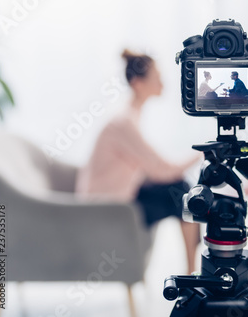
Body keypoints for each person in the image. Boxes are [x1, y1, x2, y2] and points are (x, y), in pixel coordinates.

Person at [75, 49, 200, 275]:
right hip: (106, 206)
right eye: (157, 78)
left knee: (182, 191)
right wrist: (204, 152)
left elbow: (150, 170)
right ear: (138, 83)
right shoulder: (124, 123)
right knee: (182, 191)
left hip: (120, 195)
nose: (163, 83)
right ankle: (192, 272)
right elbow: (164, 170)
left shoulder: (130, 117)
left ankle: (192, 270)